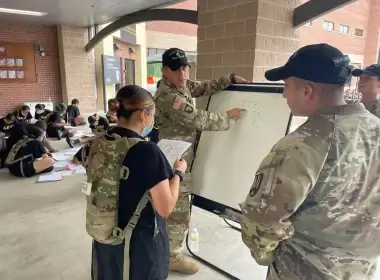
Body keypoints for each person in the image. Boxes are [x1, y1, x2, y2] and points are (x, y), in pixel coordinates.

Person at [239, 43, 380, 280]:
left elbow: (261, 226)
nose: (284, 94)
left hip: (303, 271)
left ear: (307, 90)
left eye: (286, 86)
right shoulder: (376, 127)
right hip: (361, 271)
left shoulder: (300, 146)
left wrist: (266, 257)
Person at [76, 85, 187, 280]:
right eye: (152, 115)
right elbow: (165, 207)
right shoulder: (147, 151)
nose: (153, 120)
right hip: (138, 245)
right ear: (144, 115)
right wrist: (178, 173)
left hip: (105, 233)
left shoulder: (98, 142)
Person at [154, 47, 248, 274]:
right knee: (177, 211)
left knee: (176, 207)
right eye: (177, 70)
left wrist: (229, 79)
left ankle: (165, 250)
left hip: (182, 158)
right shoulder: (169, 96)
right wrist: (229, 117)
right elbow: (198, 119)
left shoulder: (180, 85)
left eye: (185, 68)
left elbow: (202, 87)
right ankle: (171, 256)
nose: (183, 74)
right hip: (174, 161)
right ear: (165, 70)